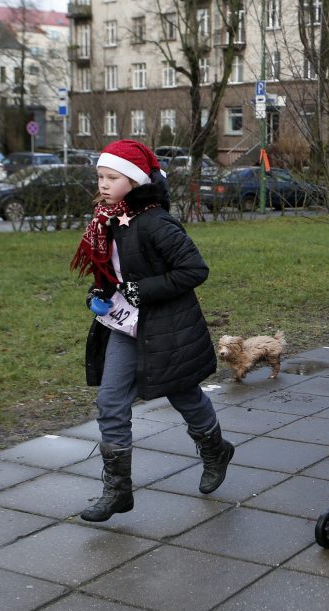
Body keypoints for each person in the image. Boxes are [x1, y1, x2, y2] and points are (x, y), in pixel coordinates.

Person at [70, 139, 233, 522]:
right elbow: (118, 270)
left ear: (135, 180)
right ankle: (117, 492)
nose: (104, 184)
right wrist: (102, 290)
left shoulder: (156, 221)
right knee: (110, 402)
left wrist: (140, 290)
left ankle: (215, 449)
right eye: (100, 176)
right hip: (124, 327)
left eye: (112, 177)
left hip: (166, 329)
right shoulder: (108, 218)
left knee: (185, 396)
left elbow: (194, 271)